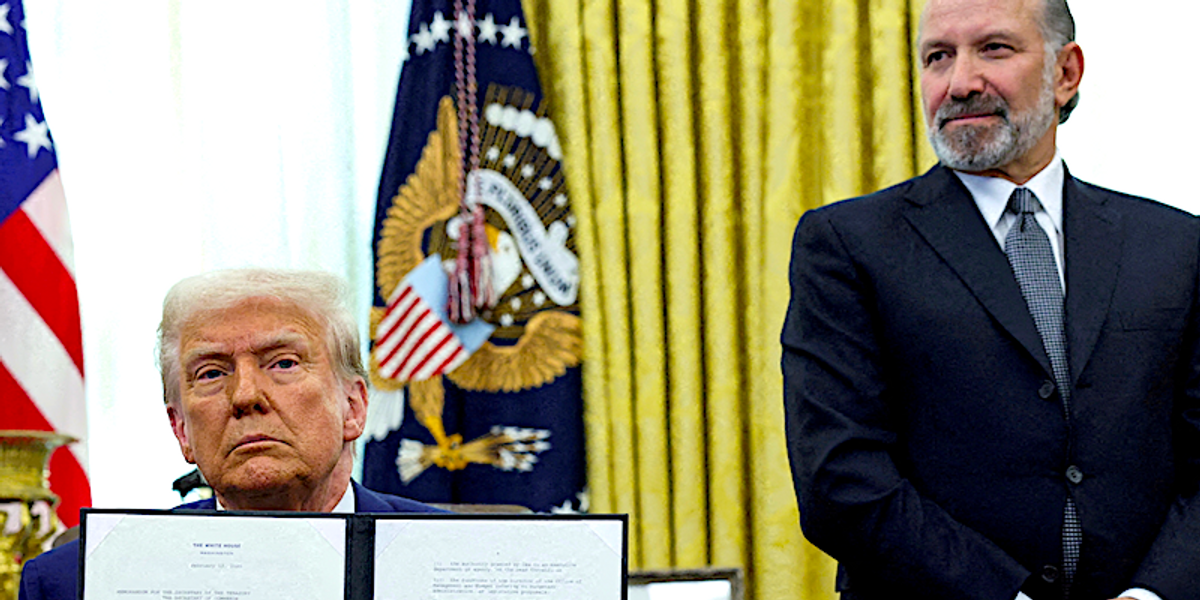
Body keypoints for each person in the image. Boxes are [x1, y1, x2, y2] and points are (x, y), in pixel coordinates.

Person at [782, 1, 1200, 599]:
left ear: (1065, 73)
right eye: (937, 57)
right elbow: (840, 479)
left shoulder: (1176, 246)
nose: (959, 83)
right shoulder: (848, 246)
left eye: (993, 49)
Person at [19, 268, 443, 600]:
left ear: (353, 407)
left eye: (283, 363)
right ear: (181, 429)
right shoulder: (68, 584)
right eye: (211, 373)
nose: (245, 395)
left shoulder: (456, 560)